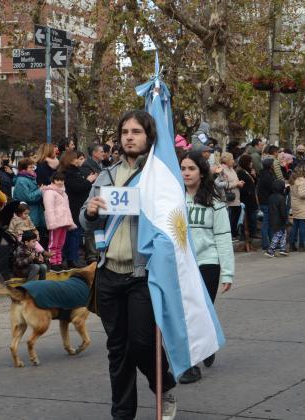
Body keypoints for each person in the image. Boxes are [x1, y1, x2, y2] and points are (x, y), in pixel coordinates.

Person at [80, 110, 177, 420]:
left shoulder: (159, 176)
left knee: (141, 343)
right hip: (109, 272)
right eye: (124, 132)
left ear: (148, 137)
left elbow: (173, 221)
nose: (129, 137)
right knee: (117, 349)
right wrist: (92, 212)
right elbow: (83, 218)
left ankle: (164, 385)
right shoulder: (106, 176)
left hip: (142, 274)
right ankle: (122, 413)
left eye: (136, 131)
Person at [178, 150, 234, 384]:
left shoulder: (215, 201)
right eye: (182, 168)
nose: (186, 173)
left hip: (207, 263)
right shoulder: (173, 199)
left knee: (199, 313)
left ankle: (193, 364)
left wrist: (228, 271)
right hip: (181, 265)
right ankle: (203, 347)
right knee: (184, 315)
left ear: (201, 172)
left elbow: (223, 237)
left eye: (191, 168)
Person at [60, 150, 97, 268]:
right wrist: (88, 180)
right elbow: (76, 187)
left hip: (78, 206)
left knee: (76, 233)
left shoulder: (75, 171)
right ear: (71, 159)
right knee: (73, 234)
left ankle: (73, 258)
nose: (80, 160)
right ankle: (71, 259)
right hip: (73, 207)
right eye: (78, 158)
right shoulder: (68, 173)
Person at [42, 172, 76, 271]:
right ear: (53, 181)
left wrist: (69, 220)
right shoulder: (49, 192)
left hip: (64, 221)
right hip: (56, 222)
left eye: (62, 180)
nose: (60, 182)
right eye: (58, 180)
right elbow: (49, 208)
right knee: (53, 243)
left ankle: (58, 261)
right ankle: (52, 262)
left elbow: (67, 208)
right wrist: (52, 222)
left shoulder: (63, 192)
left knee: (60, 243)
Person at [288, 163, 305, 252]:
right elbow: (302, 194)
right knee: (303, 226)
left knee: (295, 225)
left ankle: (292, 244)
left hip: (295, 205)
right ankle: (302, 245)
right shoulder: (301, 180)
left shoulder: (293, 179)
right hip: (302, 205)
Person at [13, 158, 44, 229]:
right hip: (28, 213)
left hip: (34, 211)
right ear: (23, 169)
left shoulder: (30, 178)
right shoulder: (21, 180)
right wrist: (39, 190)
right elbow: (27, 197)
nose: (33, 169)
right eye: (30, 167)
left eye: (33, 167)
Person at [217, 152, 243, 238]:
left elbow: (234, 180)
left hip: (236, 197)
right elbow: (219, 184)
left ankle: (233, 234)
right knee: (230, 217)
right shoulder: (222, 169)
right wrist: (235, 184)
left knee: (236, 214)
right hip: (228, 198)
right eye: (232, 159)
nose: (233, 161)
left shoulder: (232, 169)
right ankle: (230, 235)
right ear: (227, 160)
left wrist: (239, 183)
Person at [236, 154, 258, 249]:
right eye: (250, 162)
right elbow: (243, 186)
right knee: (248, 219)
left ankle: (251, 237)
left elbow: (253, 183)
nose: (252, 163)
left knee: (253, 218)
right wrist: (248, 192)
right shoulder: (241, 173)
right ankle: (246, 238)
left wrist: (254, 176)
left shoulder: (249, 172)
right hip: (246, 200)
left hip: (252, 199)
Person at [265, 179, 289, 258]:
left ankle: (282, 249)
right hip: (279, 219)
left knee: (283, 232)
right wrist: (286, 218)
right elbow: (283, 211)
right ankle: (270, 250)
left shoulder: (271, 197)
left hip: (272, 218)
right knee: (278, 234)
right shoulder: (281, 198)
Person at [256, 158, 276, 250]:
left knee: (269, 223)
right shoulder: (268, 176)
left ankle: (271, 242)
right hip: (267, 201)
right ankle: (266, 243)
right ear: (270, 166)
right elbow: (272, 188)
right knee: (266, 223)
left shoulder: (263, 174)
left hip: (264, 201)